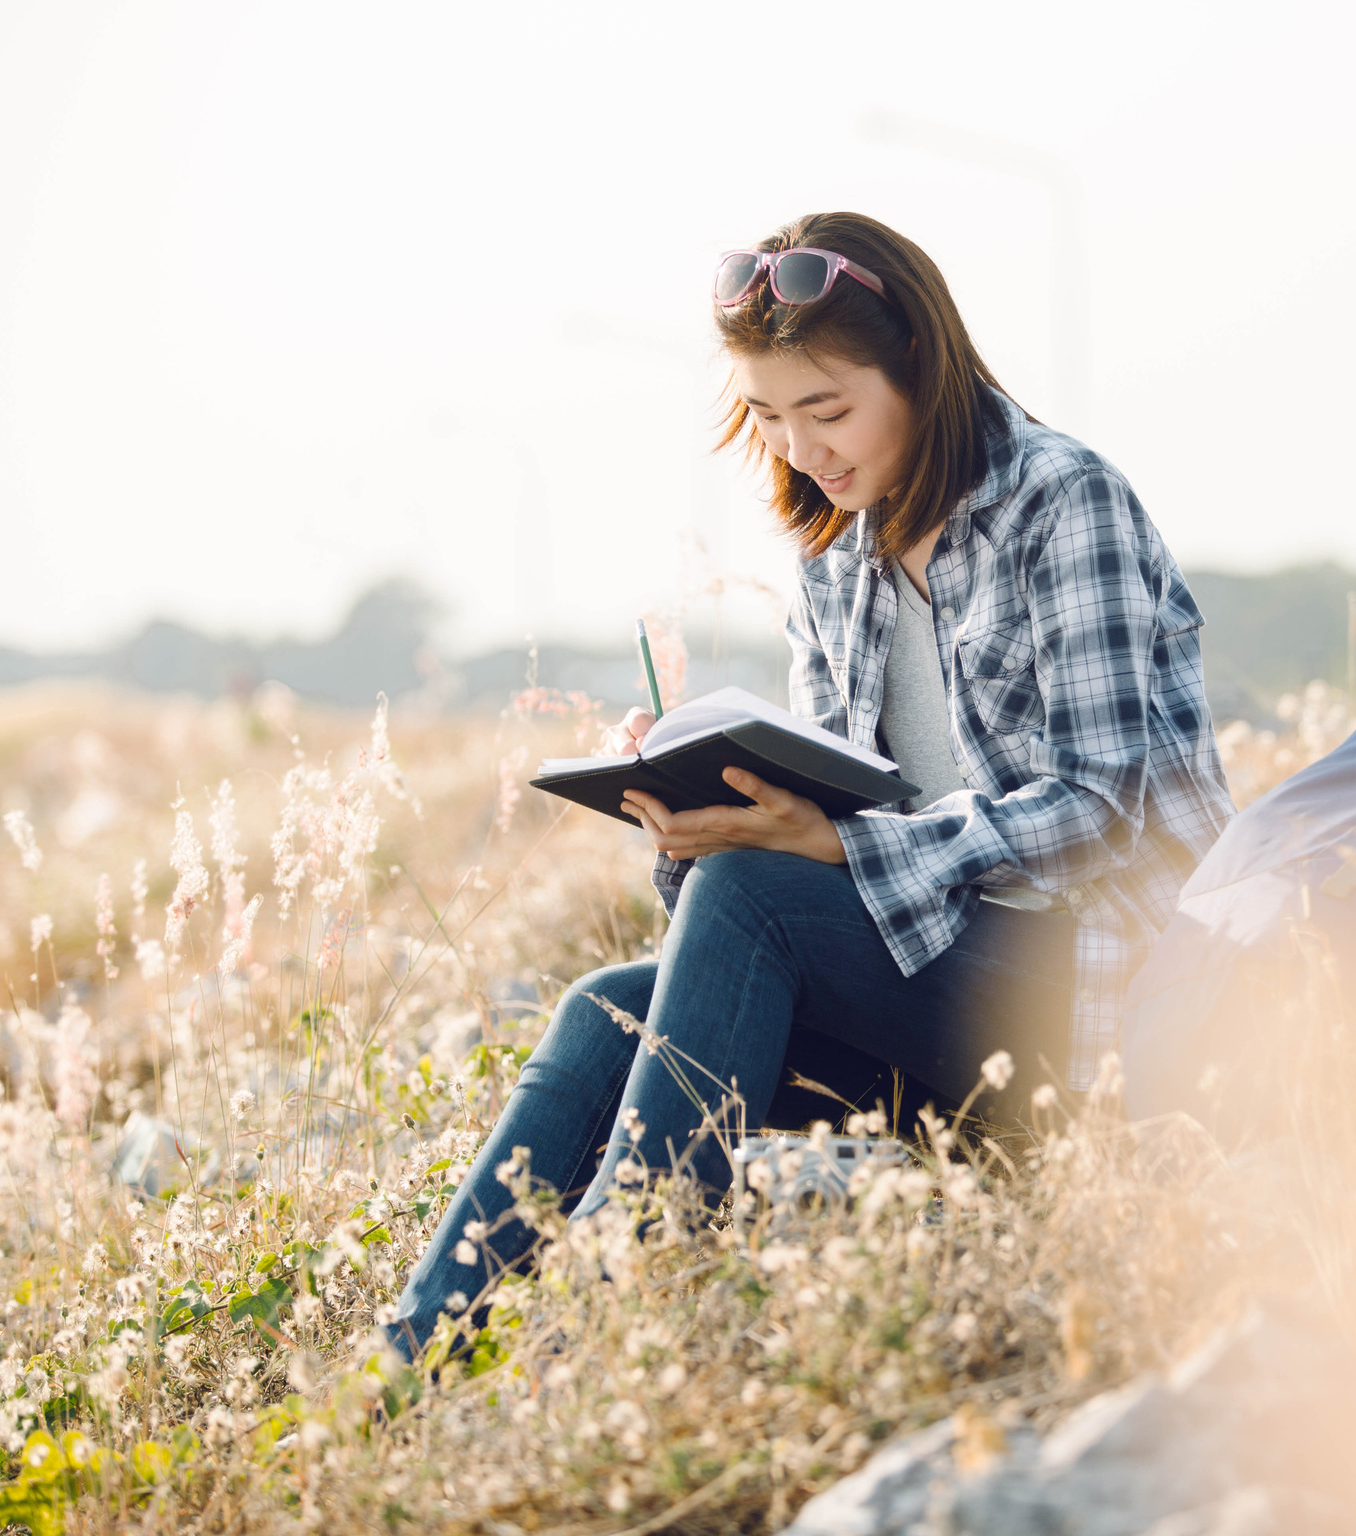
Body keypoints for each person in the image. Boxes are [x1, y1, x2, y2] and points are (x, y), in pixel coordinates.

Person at [382, 211, 1232, 1360]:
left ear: (919, 369)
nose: (802, 449)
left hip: (1100, 996)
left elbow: (1101, 807)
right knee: (603, 1011)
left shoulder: (1060, 501)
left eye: (827, 410)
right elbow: (819, 857)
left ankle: (614, 1306)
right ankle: (403, 1366)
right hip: (937, 997)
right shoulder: (839, 557)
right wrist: (701, 815)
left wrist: (827, 853)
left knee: (757, 898)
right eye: (770, 418)